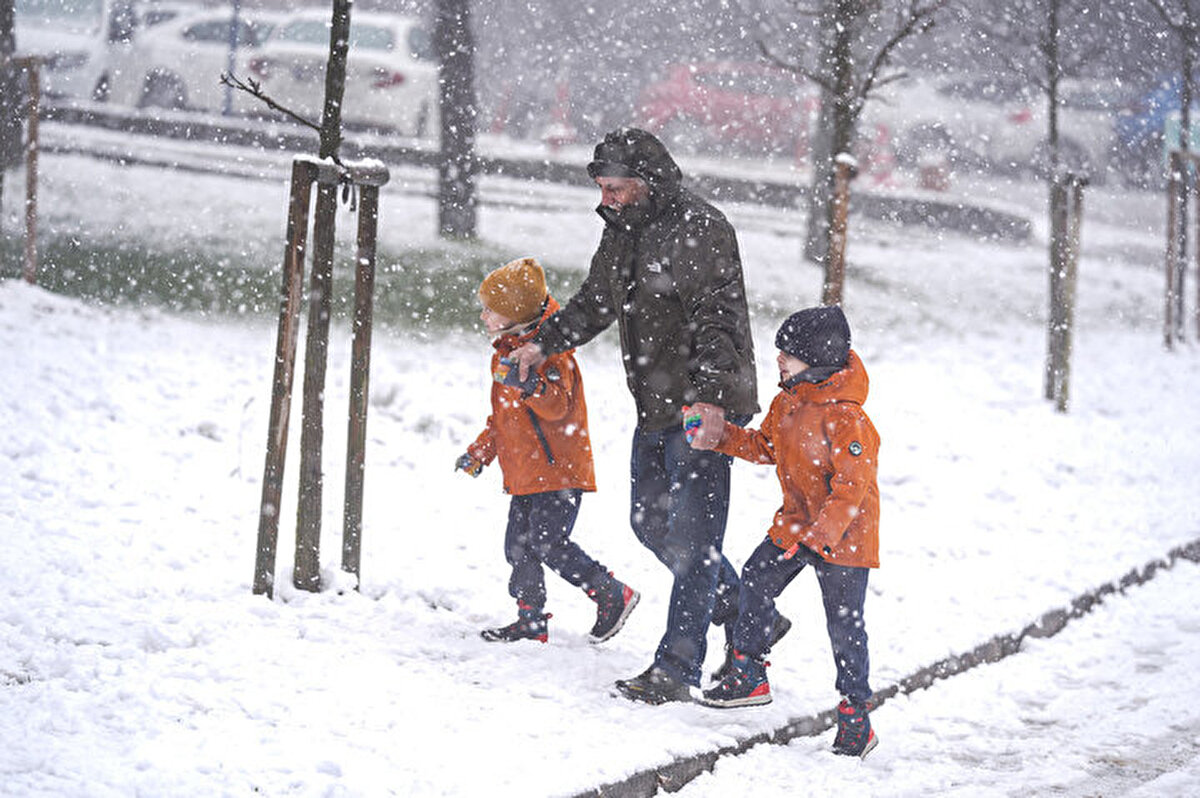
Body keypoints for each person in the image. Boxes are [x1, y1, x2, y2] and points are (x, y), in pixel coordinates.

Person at [508, 128, 788, 703]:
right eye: (602, 189)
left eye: (615, 189)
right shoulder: (623, 231)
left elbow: (720, 320)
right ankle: (743, 609)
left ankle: (677, 668)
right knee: (650, 523)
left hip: (699, 408)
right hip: (656, 403)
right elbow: (595, 300)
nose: (605, 199)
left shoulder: (700, 230)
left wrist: (709, 401)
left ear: (647, 184)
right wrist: (544, 344)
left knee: (694, 541)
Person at [686, 305, 881, 759]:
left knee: (845, 625)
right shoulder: (789, 403)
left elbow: (851, 490)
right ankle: (748, 672)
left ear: (817, 359)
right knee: (755, 576)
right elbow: (764, 446)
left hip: (845, 538)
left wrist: (820, 539)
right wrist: (717, 435)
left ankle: (856, 718)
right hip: (797, 524)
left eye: (788, 354)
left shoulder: (848, 419)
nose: (779, 359)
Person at [456, 257, 640, 645]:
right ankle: (530, 618)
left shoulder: (552, 355)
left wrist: (530, 386)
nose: (483, 315)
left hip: (558, 471)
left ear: (515, 314)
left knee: (548, 543)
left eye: (491, 309)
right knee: (517, 546)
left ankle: (610, 592)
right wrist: (480, 453)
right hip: (526, 472)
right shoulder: (506, 353)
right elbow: (504, 419)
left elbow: (558, 407)